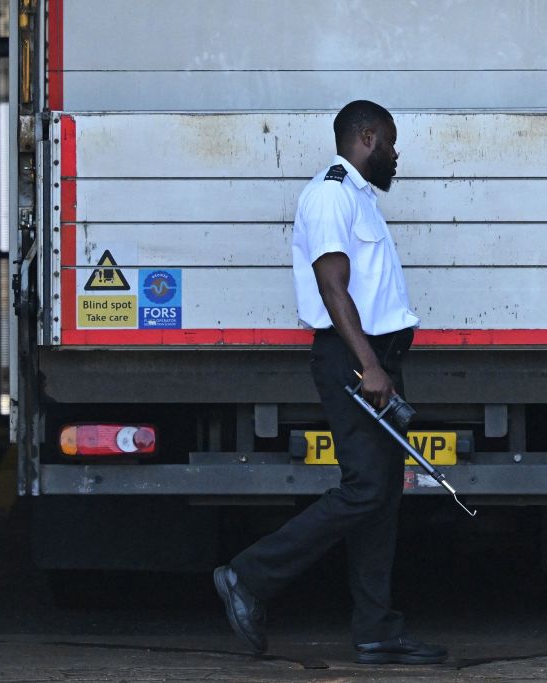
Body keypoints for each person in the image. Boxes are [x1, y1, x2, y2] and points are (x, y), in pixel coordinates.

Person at [214, 100, 447, 665]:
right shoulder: (329, 195)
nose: (395, 155)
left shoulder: (358, 196)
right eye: (389, 143)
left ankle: (377, 631)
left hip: (377, 360)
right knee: (366, 488)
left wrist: (382, 365)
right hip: (353, 361)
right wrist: (369, 366)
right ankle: (247, 577)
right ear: (366, 136)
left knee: (382, 498)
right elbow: (333, 289)